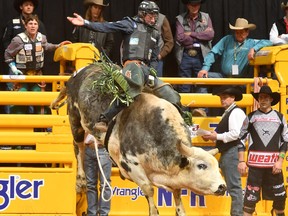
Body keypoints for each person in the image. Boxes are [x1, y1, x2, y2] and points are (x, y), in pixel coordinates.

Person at [67, 0, 191, 133]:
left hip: (146, 70)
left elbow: (154, 57)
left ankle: (186, 122)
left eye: (155, 15)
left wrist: (152, 72)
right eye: (151, 15)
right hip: (131, 67)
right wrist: (85, 23)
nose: (154, 18)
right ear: (142, 14)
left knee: (170, 93)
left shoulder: (155, 33)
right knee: (131, 89)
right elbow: (108, 27)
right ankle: (104, 119)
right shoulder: (130, 24)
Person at [71, 1, 114, 215]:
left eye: (99, 8)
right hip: (89, 147)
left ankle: (102, 213)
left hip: (101, 146)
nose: (97, 10)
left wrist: (98, 62)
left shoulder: (106, 96)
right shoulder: (81, 27)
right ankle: (92, 212)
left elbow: (108, 47)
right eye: (95, 7)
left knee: (104, 181)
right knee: (92, 183)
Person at [4, 14, 71, 114]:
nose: (33, 26)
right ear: (25, 25)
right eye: (30, 23)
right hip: (22, 76)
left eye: (35, 24)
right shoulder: (18, 40)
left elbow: (47, 46)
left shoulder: (42, 38)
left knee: (41, 101)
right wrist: (14, 69)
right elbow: (7, 54)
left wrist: (58, 45)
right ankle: (20, 126)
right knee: (20, 100)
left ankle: (43, 127)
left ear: (38, 26)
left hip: (37, 76)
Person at [238, 85, 288, 216]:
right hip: (254, 168)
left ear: (271, 99)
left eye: (266, 97)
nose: (263, 100)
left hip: (274, 167)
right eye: (260, 97)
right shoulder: (250, 117)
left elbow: (286, 140)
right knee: (248, 204)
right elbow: (241, 139)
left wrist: (280, 161)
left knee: (280, 203)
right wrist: (241, 161)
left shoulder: (280, 117)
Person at [201, 86, 246, 216]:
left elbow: (236, 134)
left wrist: (216, 136)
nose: (222, 100)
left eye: (225, 97)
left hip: (232, 151)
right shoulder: (231, 112)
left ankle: (238, 214)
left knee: (234, 187)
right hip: (230, 151)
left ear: (233, 98)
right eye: (221, 98)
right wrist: (214, 136)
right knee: (234, 186)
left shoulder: (235, 112)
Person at [198, 18, 273, 80]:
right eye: (237, 32)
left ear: (247, 32)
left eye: (241, 32)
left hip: (242, 79)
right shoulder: (227, 39)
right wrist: (205, 68)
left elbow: (269, 42)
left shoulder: (252, 43)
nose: (239, 35)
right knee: (202, 77)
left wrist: (254, 48)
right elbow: (213, 53)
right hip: (224, 77)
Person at [175, 0, 214, 94]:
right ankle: (184, 109)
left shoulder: (206, 17)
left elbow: (210, 35)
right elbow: (180, 38)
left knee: (202, 85)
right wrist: (201, 36)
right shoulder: (180, 18)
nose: (194, 7)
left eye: (196, 5)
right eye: (192, 5)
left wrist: (191, 34)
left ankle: (202, 109)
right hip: (185, 55)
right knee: (184, 86)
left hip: (202, 55)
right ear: (188, 5)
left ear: (200, 5)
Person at [84, 133, 112, 216]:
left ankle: (104, 213)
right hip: (88, 148)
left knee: (105, 184)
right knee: (90, 185)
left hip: (103, 148)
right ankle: (92, 213)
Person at [150, 0, 174, 76]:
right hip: (140, 59)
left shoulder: (162, 19)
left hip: (156, 59)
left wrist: (161, 55)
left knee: (156, 85)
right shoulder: (138, 19)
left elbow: (169, 41)